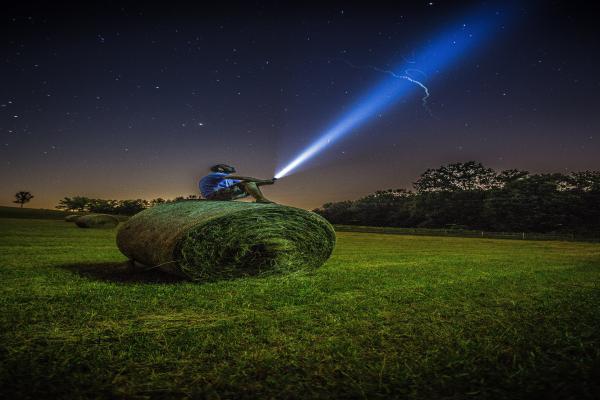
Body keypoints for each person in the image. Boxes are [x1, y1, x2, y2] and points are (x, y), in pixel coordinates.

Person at [199, 164, 276, 203]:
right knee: (247, 183)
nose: (231, 167)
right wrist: (265, 182)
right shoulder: (216, 174)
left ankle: (260, 199)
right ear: (220, 169)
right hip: (213, 195)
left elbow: (250, 183)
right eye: (227, 166)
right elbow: (245, 179)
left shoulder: (226, 178)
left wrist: (266, 182)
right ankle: (261, 199)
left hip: (220, 195)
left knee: (250, 185)